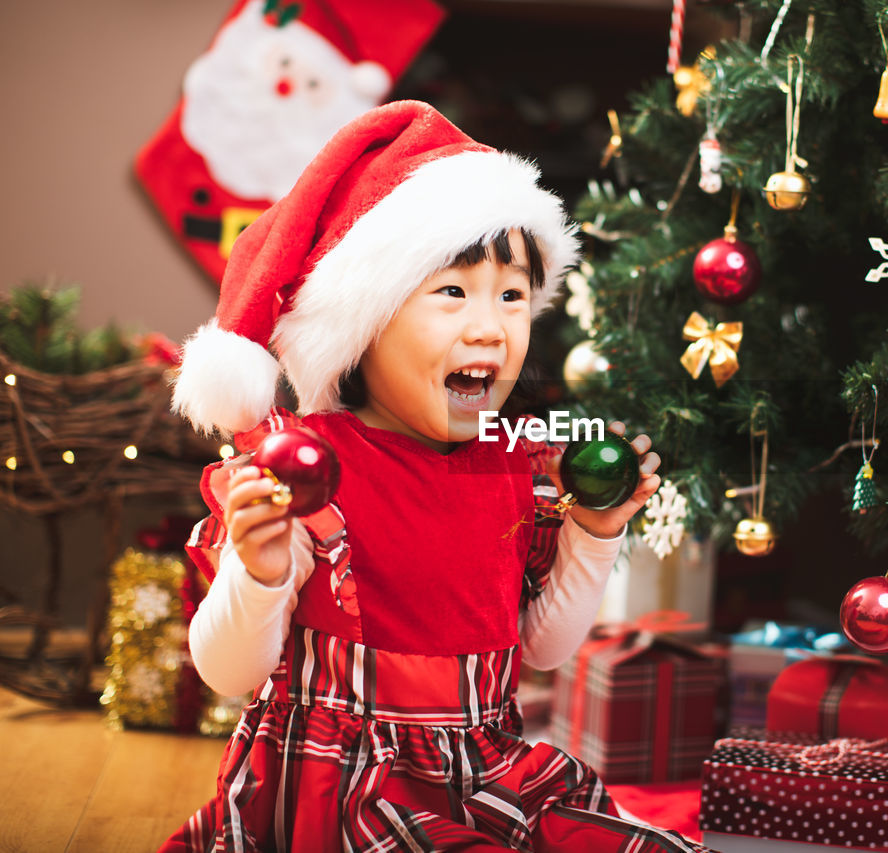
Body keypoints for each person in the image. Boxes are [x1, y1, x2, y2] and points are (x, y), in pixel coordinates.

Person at [162, 100, 709, 853]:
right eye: (452, 291)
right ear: (364, 321)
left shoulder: (514, 463)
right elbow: (228, 671)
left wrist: (595, 534)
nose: (490, 326)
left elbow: (542, 649)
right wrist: (256, 571)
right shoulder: (304, 469)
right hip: (346, 785)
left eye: (513, 296)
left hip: (485, 772)